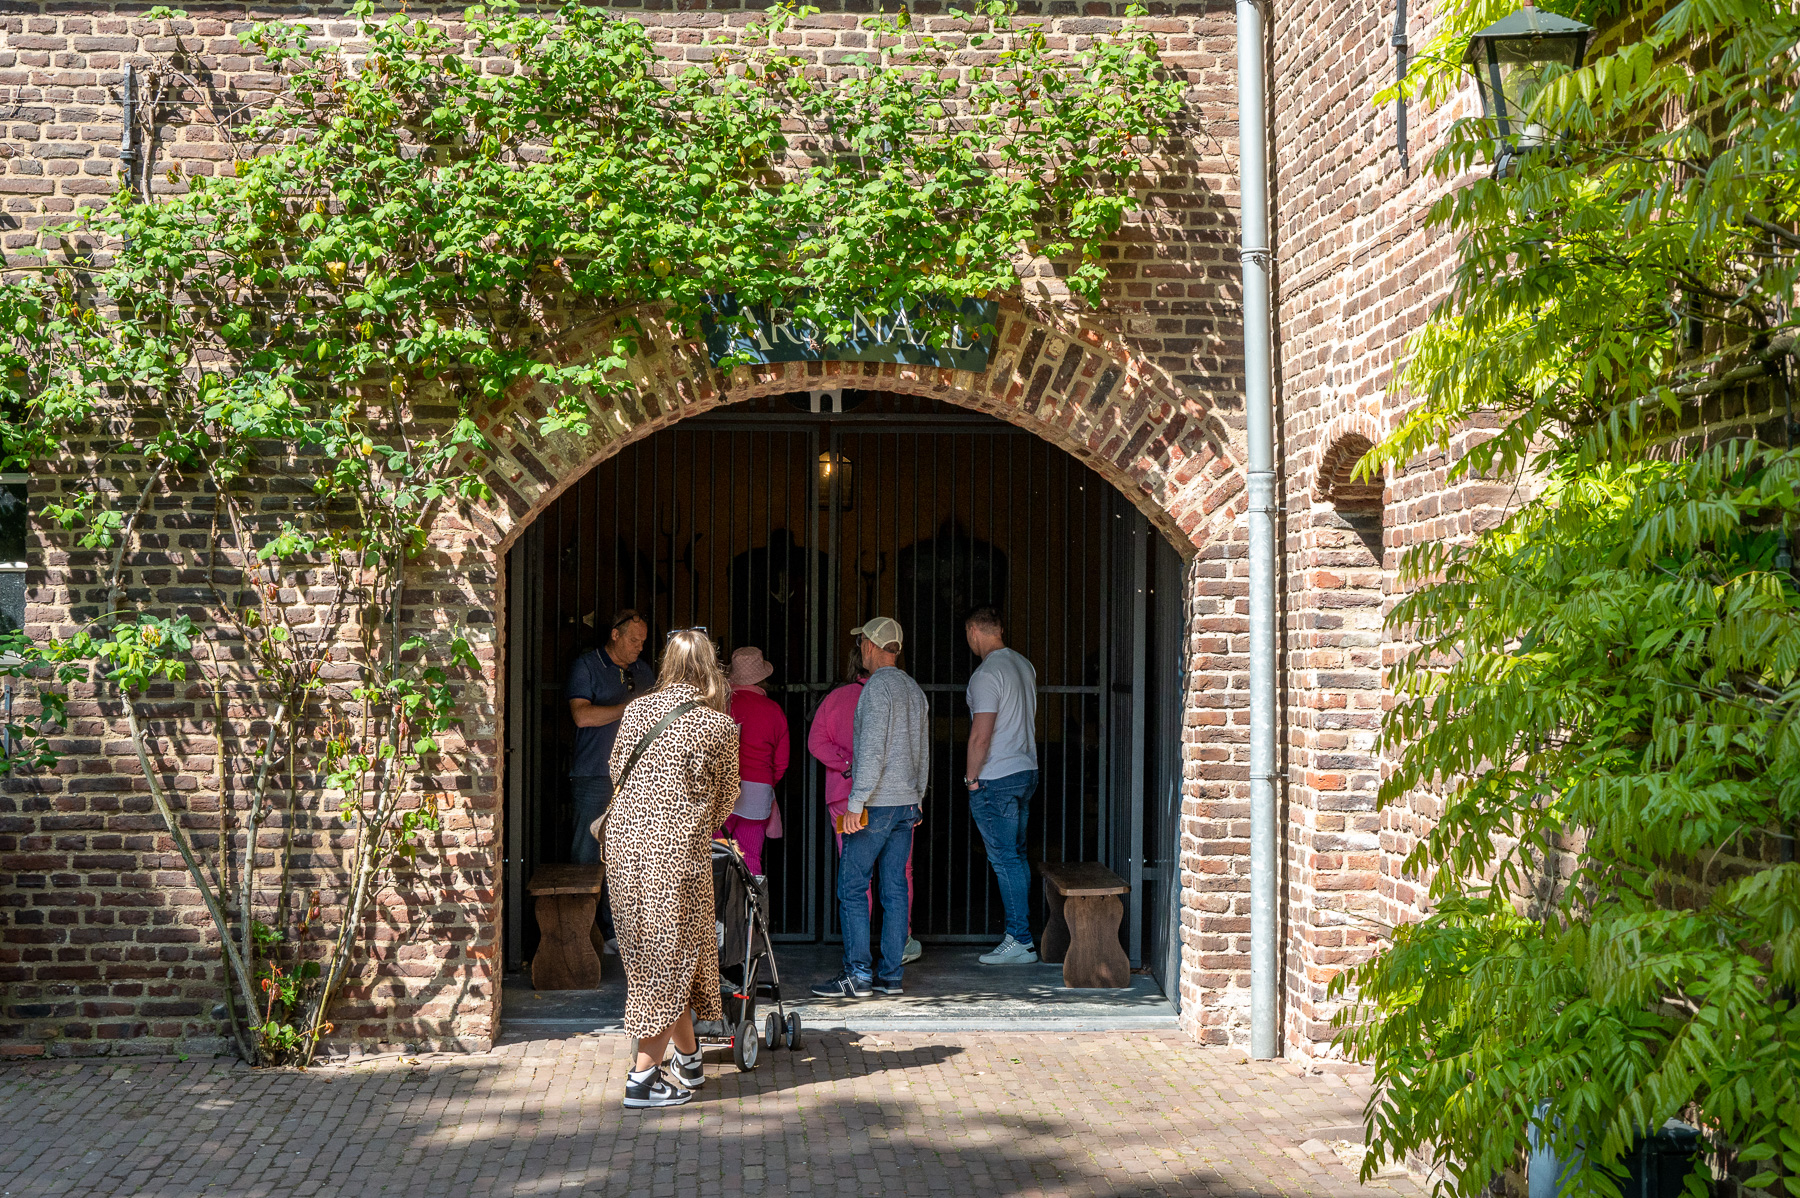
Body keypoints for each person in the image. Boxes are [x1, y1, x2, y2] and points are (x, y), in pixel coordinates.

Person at [602, 628, 742, 1109]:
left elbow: (617, 770)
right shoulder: (718, 726)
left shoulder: (636, 710)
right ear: (710, 669)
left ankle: (688, 1056)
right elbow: (726, 798)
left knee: (666, 953)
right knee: (669, 961)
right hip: (676, 852)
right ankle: (642, 1080)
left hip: (623, 847)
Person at [812, 617, 928, 999]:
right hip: (906, 802)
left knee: (853, 885)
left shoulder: (876, 689)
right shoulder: (913, 689)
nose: (860, 647)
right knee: (895, 889)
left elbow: (872, 751)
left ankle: (858, 974)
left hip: (874, 804)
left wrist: (855, 802)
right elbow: (922, 752)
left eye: (862, 641)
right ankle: (891, 976)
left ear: (871, 646)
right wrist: (919, 796)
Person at [566, 609, 654, 949]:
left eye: (643, 642)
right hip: (594, 775)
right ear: (615, 635)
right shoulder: (587, 666)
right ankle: (584, 936)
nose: (638, 648)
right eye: (633, 639)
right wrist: (629, 709)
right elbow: (582, 716)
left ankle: (619, 932)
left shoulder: (643, 671)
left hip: (637, 779)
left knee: (630, 857)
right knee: (588, 854)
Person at [962, 607, 1041, 966]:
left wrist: (971, 779)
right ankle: (1021, 935)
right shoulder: (1024, 666)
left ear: (973, 631)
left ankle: (1020, 939)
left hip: (997, 777)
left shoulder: (986, 674)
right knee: (1017, 856)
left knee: (1004, 859)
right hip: (1027, 770)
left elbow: (981, 734)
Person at [722, 646, 790, 878]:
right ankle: (750, 913)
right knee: (751, 856)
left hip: (722, 788)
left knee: (717, 856)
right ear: (763, 678)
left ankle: (718, 913)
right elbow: (781, 763)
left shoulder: (720, 705)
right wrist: (763, 781)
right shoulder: (774, 711)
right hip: (759, 790)